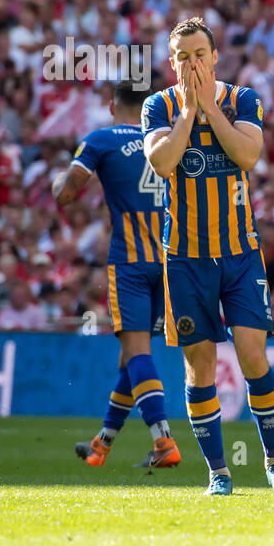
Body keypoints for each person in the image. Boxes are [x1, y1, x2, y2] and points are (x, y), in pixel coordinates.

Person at [142, 17, 274, 497]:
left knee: (253, 355)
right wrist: (190, 113)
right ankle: (218, 472)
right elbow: (163, 163)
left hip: (239, 254)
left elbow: (249, 156)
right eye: (183, 57)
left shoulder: (242, 99)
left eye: (200, 55)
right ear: (172, 64)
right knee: (200, 366)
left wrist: (210, 107)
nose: (193, 63)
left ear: (214, 57)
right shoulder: (159, 106)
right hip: (185, 258)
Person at [55, 81, 180, 470]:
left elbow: (68, 193)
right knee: (131, 358)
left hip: (129, 262)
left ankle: (162, 440)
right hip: (172, 261)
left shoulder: (102, 140)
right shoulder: (169, 139)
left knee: (137, 352)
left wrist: (58, 181)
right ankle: (102, 444)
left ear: (113, 108)